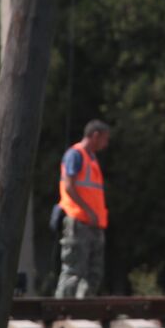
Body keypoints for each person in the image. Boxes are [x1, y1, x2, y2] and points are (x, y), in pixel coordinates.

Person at [55, 119, 110, 298]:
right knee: (73, 271)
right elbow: (69, 187)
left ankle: (83, 310)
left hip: (93, 223)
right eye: (104, 139)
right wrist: (88, 210)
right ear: (95, 136)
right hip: (78, 221)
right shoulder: (75, 155)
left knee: (93, 273)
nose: (106, 143)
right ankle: (61, 310)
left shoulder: (91, 159)